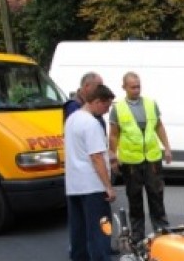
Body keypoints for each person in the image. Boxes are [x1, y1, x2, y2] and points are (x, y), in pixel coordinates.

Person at [109, 71, 173, 243]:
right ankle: (138, 237)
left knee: (157, 197)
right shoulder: (118, 108)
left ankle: (161, 233)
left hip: (152, 159)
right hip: (131, 163)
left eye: (138, 86)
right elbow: (114, 135)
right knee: (135, 200)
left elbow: (159, 126)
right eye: (133, 87)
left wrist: (167, 148)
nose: (137, 90)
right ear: (124, 87)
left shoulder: (151, 104)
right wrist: (113, 156)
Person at [64, 84, 116, 261]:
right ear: (97, 102)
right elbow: (96, 157)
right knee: (101, 228)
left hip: (74, 185)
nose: (106, 111)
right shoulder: (92, 124)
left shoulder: (71, 119)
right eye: (106, 106)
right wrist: (108, 187)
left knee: (78, 230)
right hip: (93, 186)